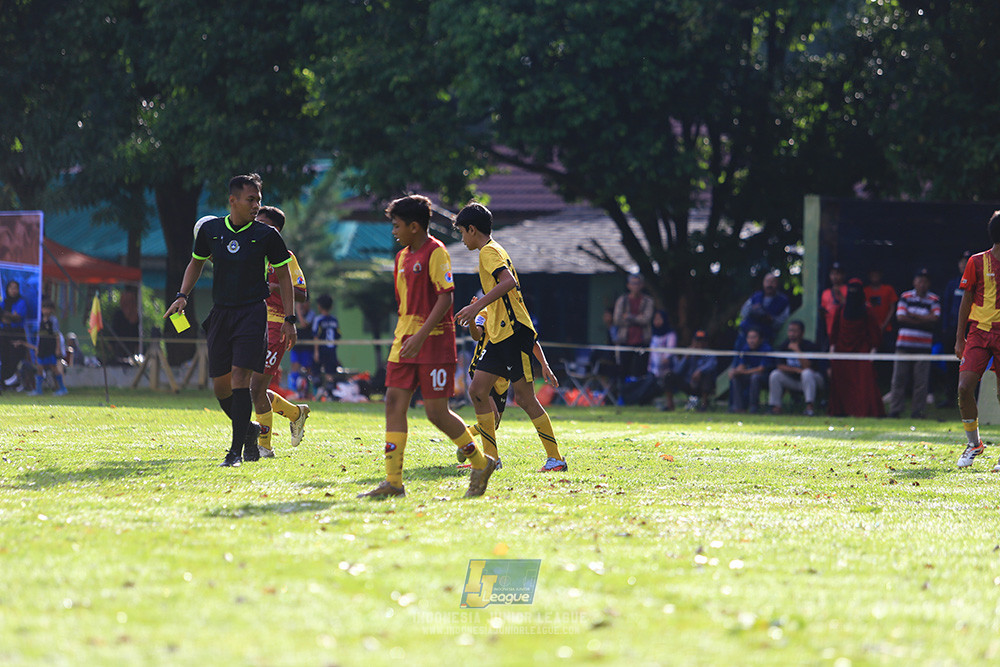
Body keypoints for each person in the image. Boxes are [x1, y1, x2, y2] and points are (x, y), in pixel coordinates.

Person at [358, 195, 494, 499]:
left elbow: (446, 297)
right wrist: (408, 336)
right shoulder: (401, 257)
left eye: (397, 226)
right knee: (393, 402)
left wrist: (420, 336)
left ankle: (481, 463)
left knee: (435, 412)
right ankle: (393, 482)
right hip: (403, 341)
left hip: (432, 343)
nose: (394, 231)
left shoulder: (436, 253)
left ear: (415, 226)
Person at [164, 173, 297, 468]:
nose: (256, 206)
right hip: (221, 313)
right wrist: (182, 295)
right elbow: (196, 263)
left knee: (241, 379)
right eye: (251, 200)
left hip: (252, 313)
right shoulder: (211, 230)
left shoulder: (267, 235)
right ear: (232, 200)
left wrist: (290, 318)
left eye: (258, 200)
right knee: (220, 388)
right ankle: (248, 431)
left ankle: (234, 451)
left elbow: (286, 277)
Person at [454, 201, 568, 473]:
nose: (461, 238)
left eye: (461, 232)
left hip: (512, 334)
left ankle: (556, 459)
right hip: (498, 335)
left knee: (526, 400)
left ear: (472, 229)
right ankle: (491, 461)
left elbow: (509, 283)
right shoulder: (492, 250)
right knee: (477, 390)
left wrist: (476, 306)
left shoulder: (488, 252)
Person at [457, 296, 559, 467]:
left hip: (503, 377)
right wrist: (473, 319)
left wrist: (544, 364)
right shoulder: (486, 311)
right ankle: (489, 459)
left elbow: (532, 341)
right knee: (493, 415)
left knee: (493, 423)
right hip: (484, 369)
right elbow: (476, 335)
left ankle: (466, 437)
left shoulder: (515, 314)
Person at [248, 205, 310, 459]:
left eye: (261, 223)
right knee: (248, 387)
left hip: (275, 326)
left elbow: (302, 293)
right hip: (251, 323)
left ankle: (264, 446)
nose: (256, 226)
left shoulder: (285, 255)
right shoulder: (251, 252)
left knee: (255, 388)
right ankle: (296, 414)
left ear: (274, 229)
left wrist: (274, 285)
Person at [954, 213, 1000, 470]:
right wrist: (960, 337)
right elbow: (966, 299)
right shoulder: (977, 261)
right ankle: (974, 444)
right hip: (979, 332)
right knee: (964, 386)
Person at [887, 268, 940, 419]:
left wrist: (912, 314)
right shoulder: (905, 296)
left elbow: (935, 319)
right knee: (898, 379)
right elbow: (901, 317)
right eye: (919, 280)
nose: (922, 284)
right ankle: (895, 410)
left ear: (928, 283)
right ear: (914, 282)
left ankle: (918, 412)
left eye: (925, 281)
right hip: (904, 345)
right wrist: (924, 318)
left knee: (921, 382)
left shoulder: (934, 299)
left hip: (923, 347)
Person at [828, 278, 884, 417]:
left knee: (865, 383)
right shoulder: (841, 310)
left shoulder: (867, 310)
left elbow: (874, 331)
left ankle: (866, 412)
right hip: (842, 352)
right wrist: (832, 347)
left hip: (862, 352)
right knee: (842, 382)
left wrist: (874, 349)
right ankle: (840, 411)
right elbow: (835, 330)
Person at [767, 319, 823, 415]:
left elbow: (808, 366)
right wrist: (797, 370)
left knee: (807, 373)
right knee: (775, 374)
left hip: (813, 380)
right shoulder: (784, 346)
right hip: (794, 380)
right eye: (790, 331)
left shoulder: (809, 346)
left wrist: (797, 351)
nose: (792, 334)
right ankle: (776, 407)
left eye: (795, 331)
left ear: (802, 332)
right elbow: (780, 366)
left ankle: (809, 408)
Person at [939, 251, 971, 408]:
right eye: (961, 261)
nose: (963, 264)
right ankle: (950, 397)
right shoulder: (952, 284)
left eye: (967, 261)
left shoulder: (977, 283)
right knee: (950, 365)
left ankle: (970, 399)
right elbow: (945, 308)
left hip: (971, 331)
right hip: (952, 330)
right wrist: (945, 329)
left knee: (971, 366)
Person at [661, 329, 718, 411]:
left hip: (701, 385)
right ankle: (670, 405)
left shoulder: (709, 354)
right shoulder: (689, 353)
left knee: (707, 376)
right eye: (697, 341)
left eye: (702, 341)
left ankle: (704, 405)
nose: (699, 344)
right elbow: (677, 371)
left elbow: (712, 365)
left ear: (706, 343)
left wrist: (700, 371)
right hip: (688, 383)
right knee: (669, 375)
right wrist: (686, 358)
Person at [22, 299, 68, 396]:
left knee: (53, 367)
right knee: (39, 367)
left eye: (47, 308)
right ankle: (38, 390)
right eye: (44, 308)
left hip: (50, 347)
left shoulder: (53, 320)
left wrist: (58, 348)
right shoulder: (41, 320)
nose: (45, 310)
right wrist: (37, 348)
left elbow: (57, 335)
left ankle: (62, 388)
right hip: (42, 347)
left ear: (51, 310)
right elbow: (40, 336)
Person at [612, 273, 655, 378]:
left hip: (642, 341)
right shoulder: (622, 300)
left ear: (642, 285)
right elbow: (617, 319)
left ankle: (639, 393)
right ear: (628, 285)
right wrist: (637, 318)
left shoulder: (648, 301)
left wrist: (629, 317)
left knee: (640, 371)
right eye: (633, 283)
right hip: (625, 340)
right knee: (623, 370)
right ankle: (622, 393)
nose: (635, 286)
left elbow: (646, 319)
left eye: (638, 283)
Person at [727, 327, 773, 413]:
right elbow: (742, 365)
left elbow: (761, 369)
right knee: (735, 377)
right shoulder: (746, 349)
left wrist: (744, 372)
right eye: (749, 337)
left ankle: (753, 407)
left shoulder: (767, 349)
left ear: (761, 339)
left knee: (755, 378)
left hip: (766, 377)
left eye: (754, 337)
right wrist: (736, 371)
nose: (751, 340)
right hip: (751, 374)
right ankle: (738, 407)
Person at [736, 273, 790, 346]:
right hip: (746, 335)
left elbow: (782, 321)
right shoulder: (755, 296)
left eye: (772, 282)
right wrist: (754, 311)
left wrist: (769, 319)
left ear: (777, 284)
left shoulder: (783, 301)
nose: (769, 285)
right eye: (767, 281)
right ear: (763, 283)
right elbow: (743, 313)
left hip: (765, 338)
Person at [0, 279, 28, 388]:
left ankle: (13, 382)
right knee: (4, 357)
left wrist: (6, 316)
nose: (13, 290)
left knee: (14, 358)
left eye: (15, 288)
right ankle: (3, 382)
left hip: (16, 333)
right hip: (4, 333)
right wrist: (8, 316)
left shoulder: (21, 302)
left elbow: (16, 317)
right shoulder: (4, 302)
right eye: (11, 288)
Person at [312, 293, 341, 395]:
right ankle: (328, 394)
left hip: (321, 349)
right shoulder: (334, 320)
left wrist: (315, 352)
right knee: (330, 373)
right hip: (331, 350)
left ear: (319, 306)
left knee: (316, 372)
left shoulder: (318, 320)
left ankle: (319, 392)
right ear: (331, 307)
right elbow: (337, 336)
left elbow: (316, 335)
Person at [288, 298, 316, 397]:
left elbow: (304, 324)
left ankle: (309, 392)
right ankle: (293, 390)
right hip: (296, 345)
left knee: (307, 369)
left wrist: (298, 311)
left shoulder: (311, 314)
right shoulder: (293, 312)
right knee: (294, 366)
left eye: (304, 303)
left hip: (306, 347)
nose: (302, 305)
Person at [820, 262, 847, 345]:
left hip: (845, 333)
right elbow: (823, 315)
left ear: (843, 275)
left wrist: (839, 294)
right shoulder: (825, 293)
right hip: (830, 332)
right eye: (832, 274)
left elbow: (849, 309)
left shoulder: (848, 290)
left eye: (838, 274)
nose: (835, 276)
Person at [110, 288, 140, 363]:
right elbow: (114, 331)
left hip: (131, 349)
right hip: (119, 347)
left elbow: (136, 332)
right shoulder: (118, 315)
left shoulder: (136, 315)